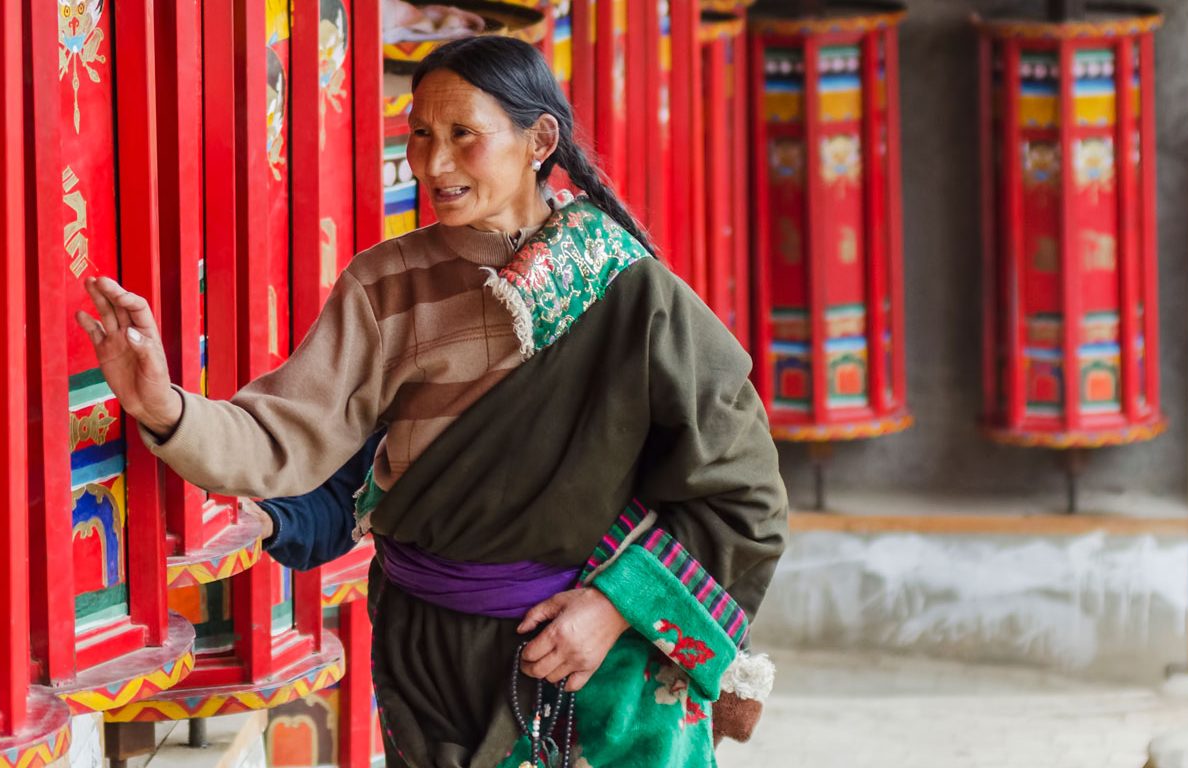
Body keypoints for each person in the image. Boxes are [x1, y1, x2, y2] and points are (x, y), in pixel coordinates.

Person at [79, 35, 787, 768]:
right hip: (425, 654)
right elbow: (281, 433)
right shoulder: (386, 285)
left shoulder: (628, 290)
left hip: (585, 661)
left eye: (462, 136)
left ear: (539, 139)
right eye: (420, 133)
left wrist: (616, 609)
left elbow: (747, 496)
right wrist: (164, 407)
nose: (434, 163)